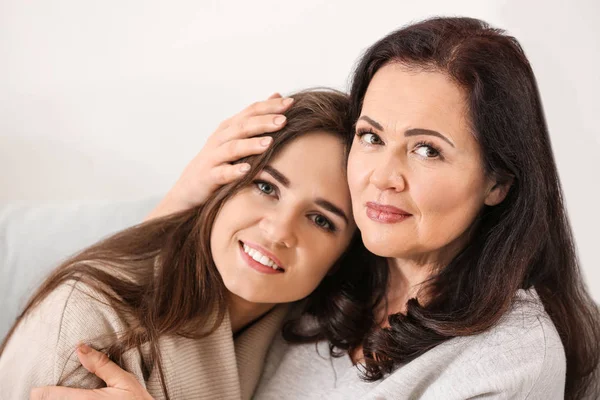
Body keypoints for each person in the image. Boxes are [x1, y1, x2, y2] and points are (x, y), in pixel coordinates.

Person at [32, 16, 600, 400]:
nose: (382, 177)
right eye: (372, 136)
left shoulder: (511, 358)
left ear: (497, 183)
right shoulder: (328, 271)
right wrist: (185, 206)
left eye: (426, 149)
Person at [0, 89, 368, 400]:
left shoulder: (309, 343)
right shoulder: (88, 319)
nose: (277, 232)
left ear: (341, 256)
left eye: (321, 220)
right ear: (222, 186)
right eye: (266, 187)